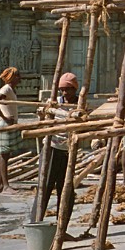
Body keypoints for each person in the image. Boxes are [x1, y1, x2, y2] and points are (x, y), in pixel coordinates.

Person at [38, 72, 78, 220]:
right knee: (45, 187)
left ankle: (62, 226)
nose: (65, 93)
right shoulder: (54, 103)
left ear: (75, 89)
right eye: (62, 89)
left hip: (67, 151)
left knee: (66, 190)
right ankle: (37, 223)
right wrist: (43, 112)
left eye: (68, 89)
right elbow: (41, 118)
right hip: (52, 148)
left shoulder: (79, 105)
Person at [0, 67, 24, 194]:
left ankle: (0, 185)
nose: (19, 78)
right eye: (17, 76)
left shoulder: (11, 90)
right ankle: (5, 186)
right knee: (4, 155)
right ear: (12, 77)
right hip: (5, 124)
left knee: (5, 154)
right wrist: (4, 117)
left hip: (11, 123)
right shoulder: (6, 89)